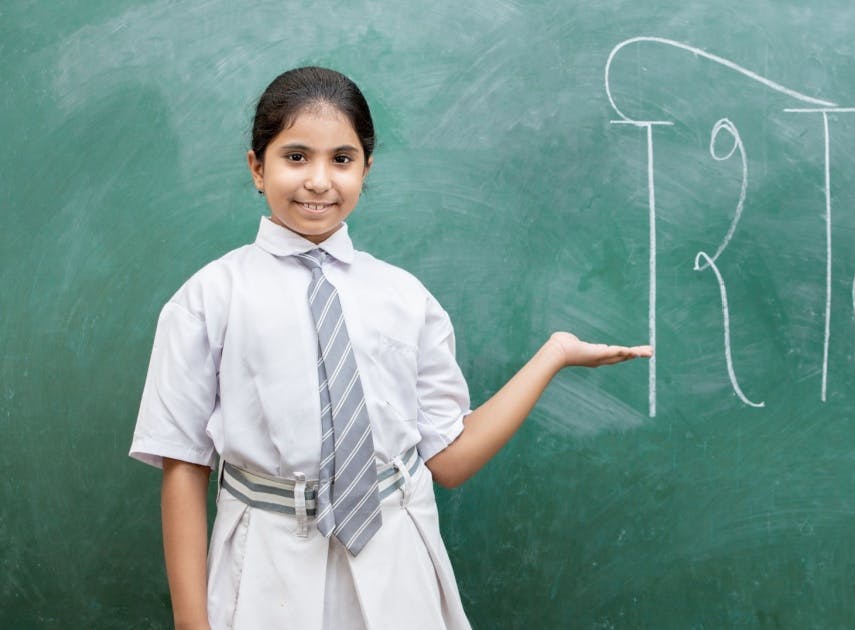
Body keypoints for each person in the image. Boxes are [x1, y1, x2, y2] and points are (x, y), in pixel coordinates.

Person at [129, 66, 651, 630]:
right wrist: (191, 621)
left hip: (396, 557)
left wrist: (555, 354)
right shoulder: (207, 298)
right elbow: (183, 463)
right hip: (264, 566)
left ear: (366, 168)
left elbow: (449, 461)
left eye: (342, 159)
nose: (319, 181)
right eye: (296, 157)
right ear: (257, 167)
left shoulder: (406, 298)